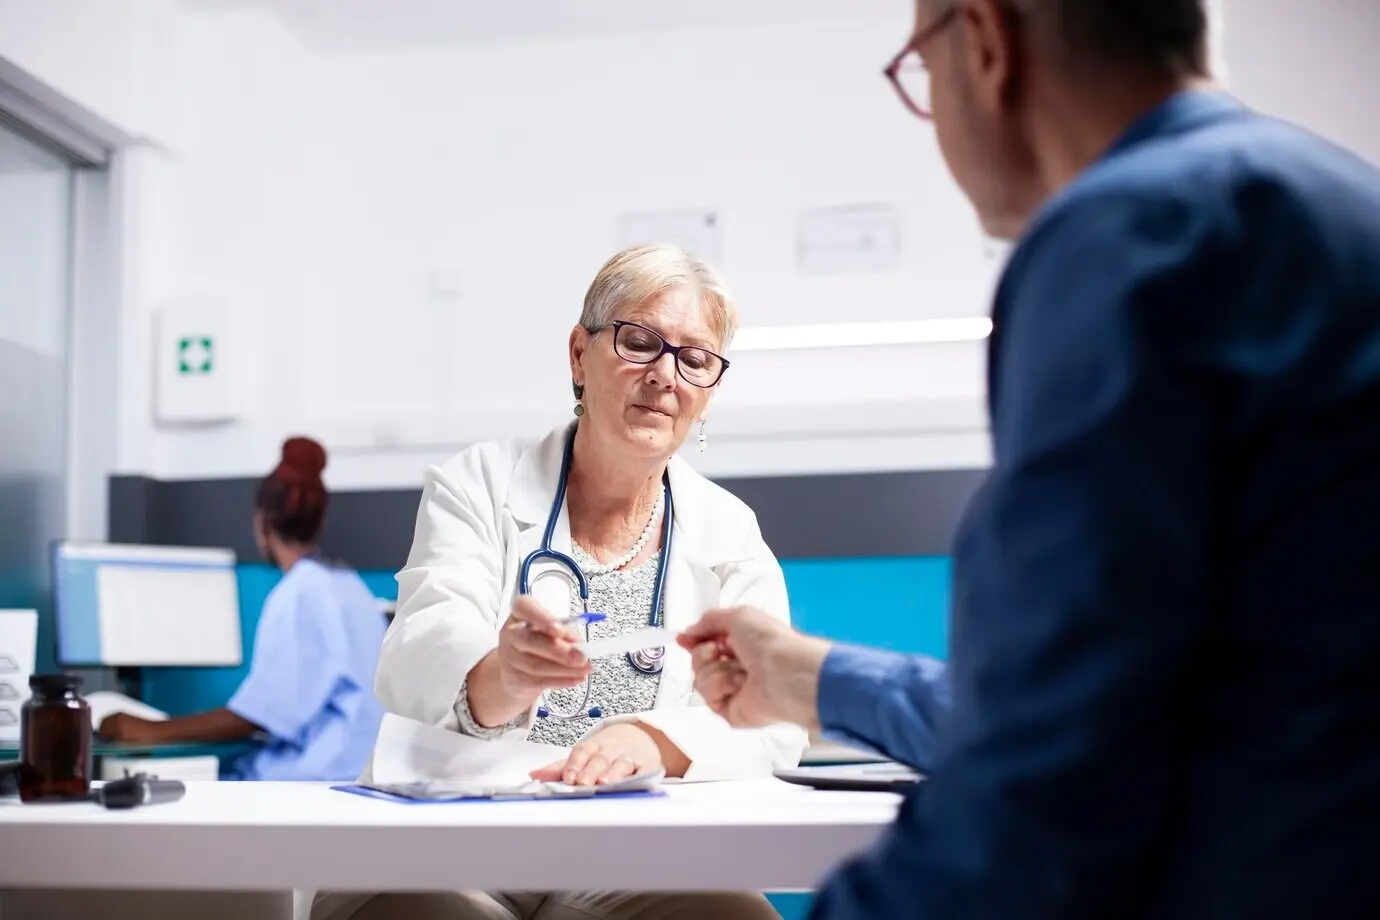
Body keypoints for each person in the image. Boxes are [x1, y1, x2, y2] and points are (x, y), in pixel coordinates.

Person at [681, 1, 1380, 919]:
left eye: (921, 74)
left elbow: (1049, 776)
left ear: (983, 43)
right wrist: (813, 679)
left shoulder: (1129, 233)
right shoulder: (1343, 205)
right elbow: (1184, 676)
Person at [310, 243, 810, 920]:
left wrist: (656, 739)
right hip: (461, 836)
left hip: (630, 858)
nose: (666, 375)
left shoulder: (729, 531)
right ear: (580, 354)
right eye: (640, 342)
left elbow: (775, 718)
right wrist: (501, 677)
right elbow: (415, 651)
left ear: (709, 392)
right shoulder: (479, 484)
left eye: (694, 358)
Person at [100, 437, 388, 783]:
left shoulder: (302, 592)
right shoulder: (349, 585)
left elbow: (256, 717)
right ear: (319, 523)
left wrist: (151, 730)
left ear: (262, 523)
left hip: (312, 781)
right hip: (358, 772)